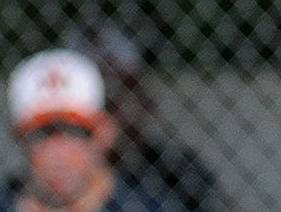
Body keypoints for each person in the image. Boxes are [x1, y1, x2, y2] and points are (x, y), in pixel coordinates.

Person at [0, 49, 165, 212]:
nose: (57, 155)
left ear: (103, 133)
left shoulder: (148, 207)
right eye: (41, 135)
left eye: (73, 132)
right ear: (18, 138)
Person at [62, 22, 227, 212]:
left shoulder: (176, 173)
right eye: (91, 95)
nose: (107, 107)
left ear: (144, 98)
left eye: (122, 89)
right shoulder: (45, 180)